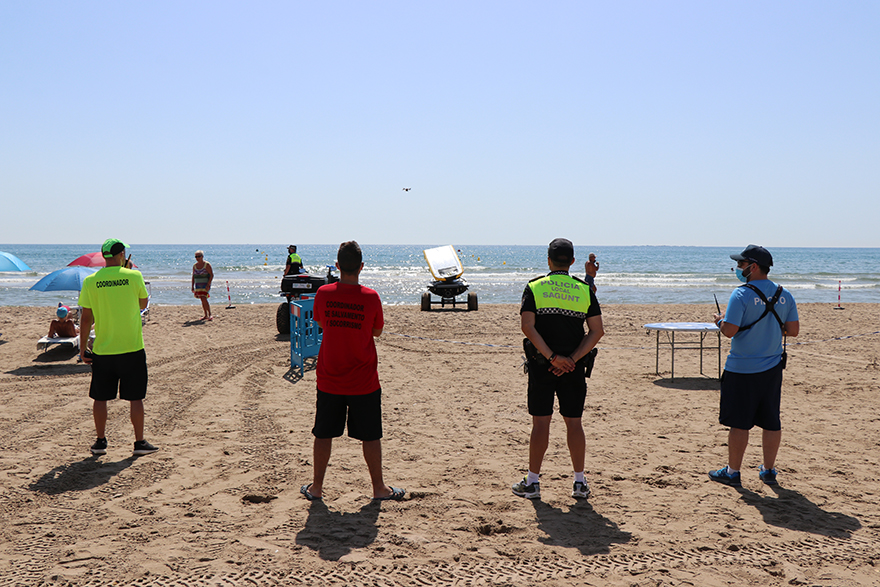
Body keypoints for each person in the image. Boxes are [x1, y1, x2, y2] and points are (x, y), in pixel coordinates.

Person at [300, 240, 405, 502]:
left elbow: (321, 322)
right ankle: (379, 488)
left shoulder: (324, 293)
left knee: (323, 433)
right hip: (363, 380)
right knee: (370, 436)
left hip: (330, 377)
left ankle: (317, 488)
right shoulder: (371, 297)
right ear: (361, 266)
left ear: (337, 266)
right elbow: (377, 331)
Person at [512, 238, 604, 500]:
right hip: (573, 368)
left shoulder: (535, 287)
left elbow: (527, 326)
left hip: (542, 366)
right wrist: (570, 359)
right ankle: (579, 483)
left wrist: (552, 357)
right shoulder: (583, 290)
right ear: (572, 261)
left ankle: (532, 482)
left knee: (541, 423)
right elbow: (597, 331)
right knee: (574, 424)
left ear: (548, 260)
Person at [709, 244, 799, 488]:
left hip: (741, 368)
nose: (738, 268)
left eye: (741, 264)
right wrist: (770, 329)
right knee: (771, 421)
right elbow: (793, 330)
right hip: (772, 368)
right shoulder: (784, 294)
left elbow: (730, 331)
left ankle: (733, 472)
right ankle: (768, 470)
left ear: (754, 267)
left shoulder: (741, 294)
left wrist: (719, 321)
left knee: (739, 423)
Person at [79, 239, 158, 457]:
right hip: (131, 347)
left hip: (103, 350)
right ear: (122, 254)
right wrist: (127, 275)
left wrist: (82, 348)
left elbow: (86, 318)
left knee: (100, 398)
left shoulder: (91, 281)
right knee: (135, 398)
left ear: (104, 256)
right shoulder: (134, 276)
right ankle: (139, 442)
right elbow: (143, 304)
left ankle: (100, 442)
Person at [191, 250, 214, 321]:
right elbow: (193, 276)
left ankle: (210, 314)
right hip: (198, 285)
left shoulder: (207, 265)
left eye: (199, 256)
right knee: (202, 299)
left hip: (205, 284)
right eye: (196, 257)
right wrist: (192, 286)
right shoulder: (195, 266)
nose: (197, 258)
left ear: (202, 256)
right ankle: (205, 315)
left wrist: (208, 284)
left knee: (204, 298)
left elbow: (211, 275)